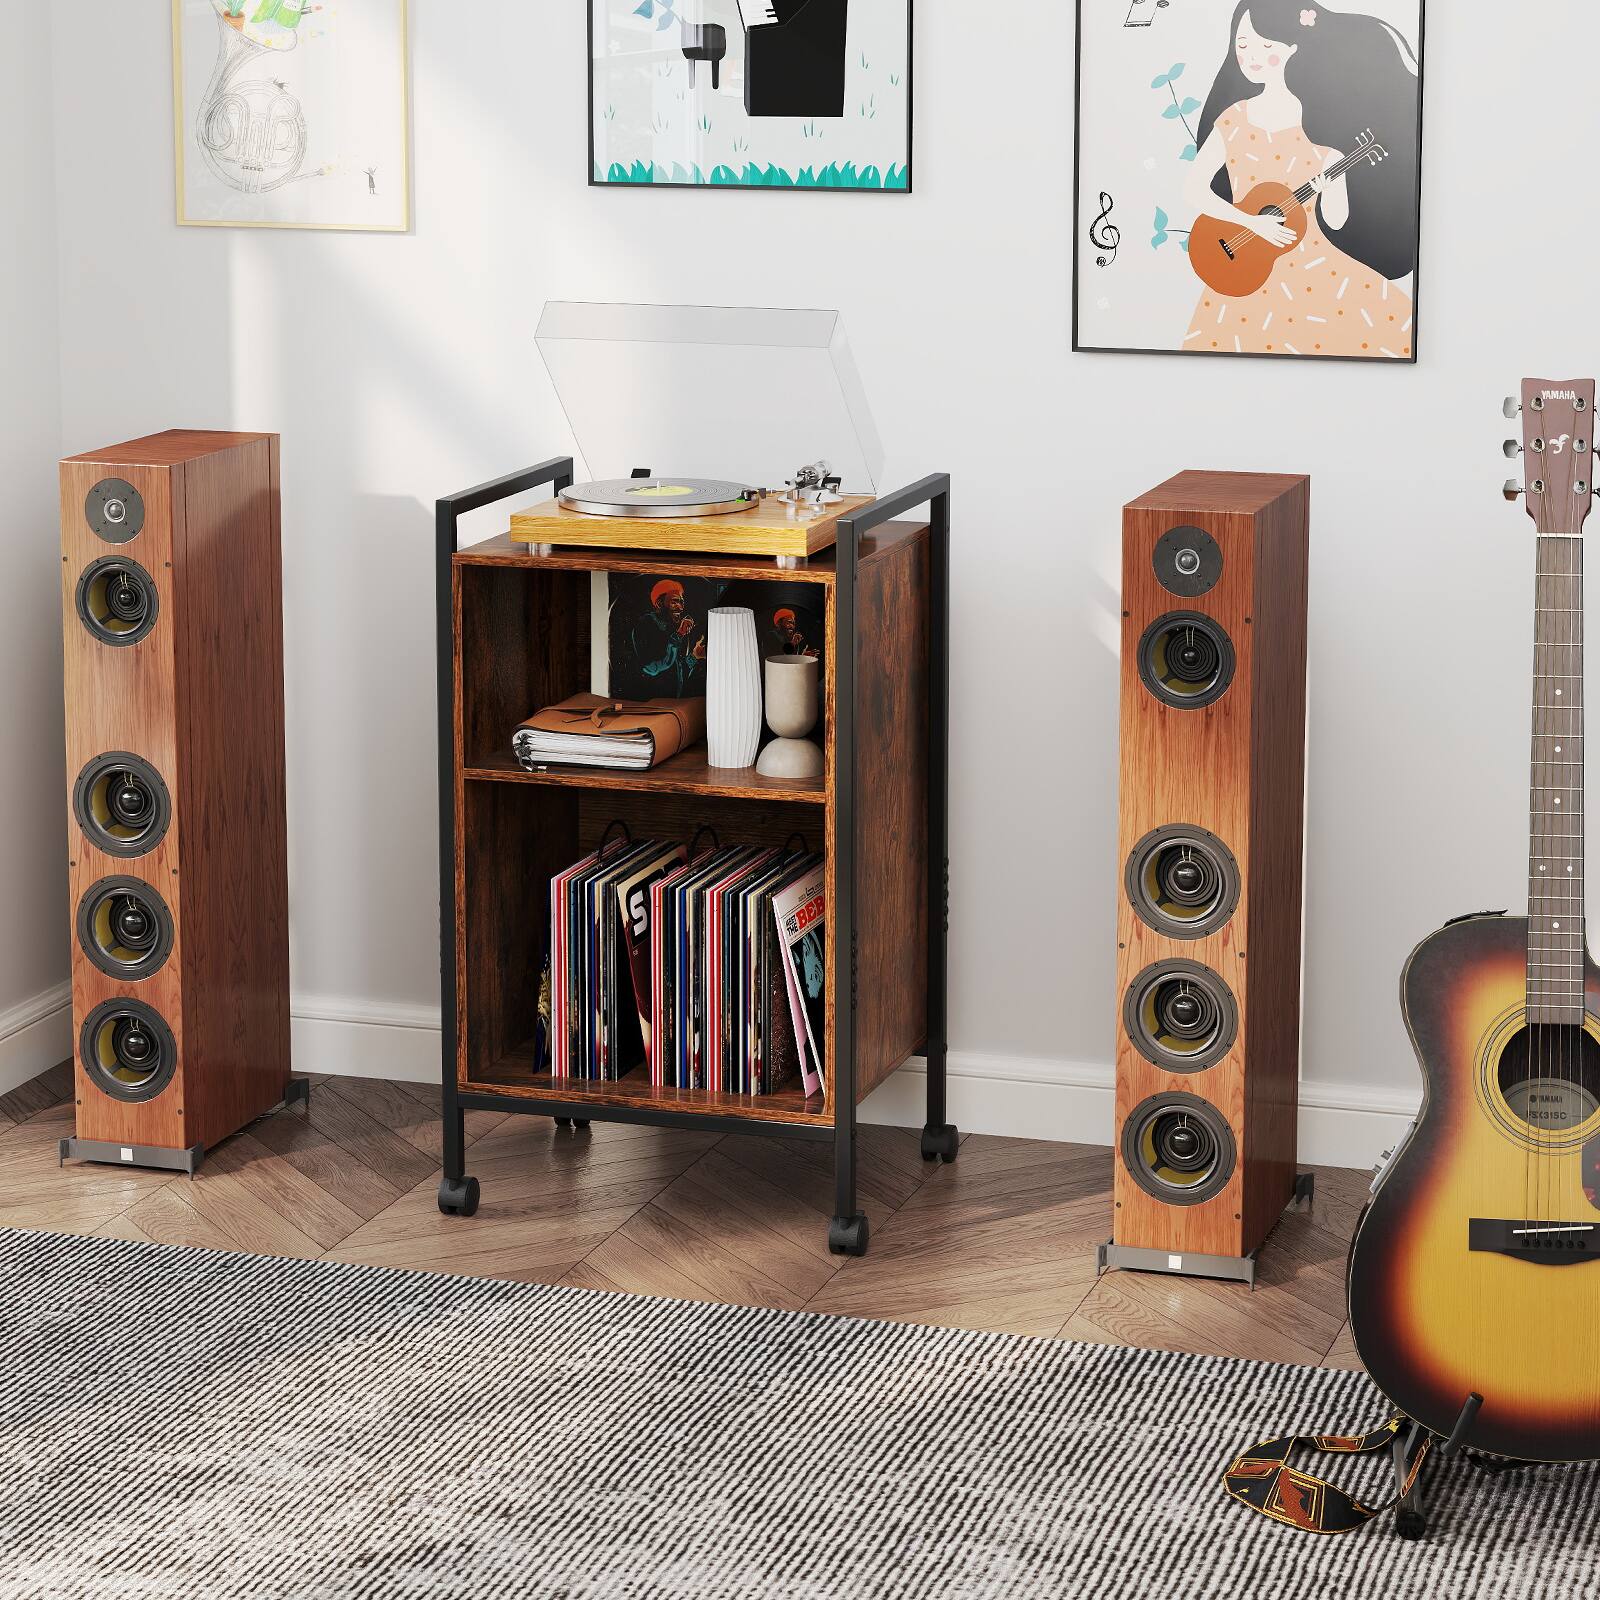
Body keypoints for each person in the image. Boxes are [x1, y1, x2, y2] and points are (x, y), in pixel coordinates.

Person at [1182, 2, 1418, 358]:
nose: (1251, 56)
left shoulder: (1320, 122)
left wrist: (1332, 187)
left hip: (1318, 269)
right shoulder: (1234, 118)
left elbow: (1337, 221)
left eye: (1265, 46)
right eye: (1242, 45)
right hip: (1245, 263)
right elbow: (1193, 189)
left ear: (1292, 47)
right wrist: (1252, 224)